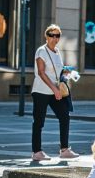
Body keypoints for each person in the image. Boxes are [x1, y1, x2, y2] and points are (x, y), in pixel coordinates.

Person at [31, 24, 79, 161]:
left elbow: (56, 72)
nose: (54, 38)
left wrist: (66, 72)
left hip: (55, 91)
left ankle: (64, 149)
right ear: (46, 36)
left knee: (64, 116)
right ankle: (37, 152)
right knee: (39, 121)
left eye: (57, 35)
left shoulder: (57, 52)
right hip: (41, 91)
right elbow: (41, 72)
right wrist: (54, 89)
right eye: (52, 35)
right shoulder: (41, 51)